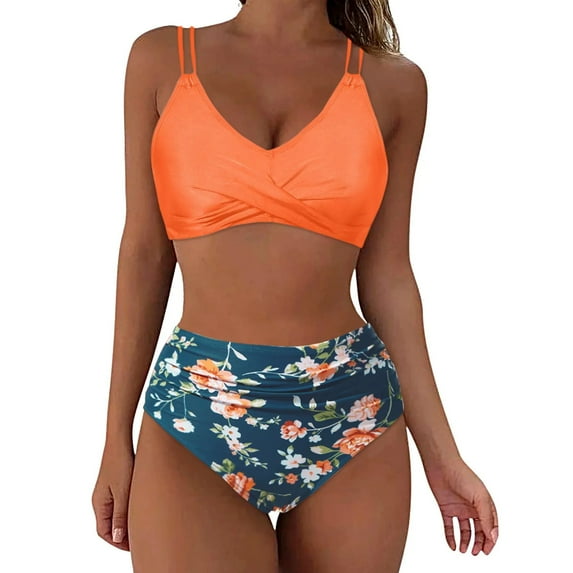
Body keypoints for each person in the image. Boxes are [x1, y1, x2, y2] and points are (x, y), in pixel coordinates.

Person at [92, 1, 499, 571]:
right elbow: (143, 252)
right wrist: (115, 435)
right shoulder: (161, 59)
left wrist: (442, 456)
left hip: (354, 412)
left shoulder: (395, 84)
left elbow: (388, 277)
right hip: (196, 412)